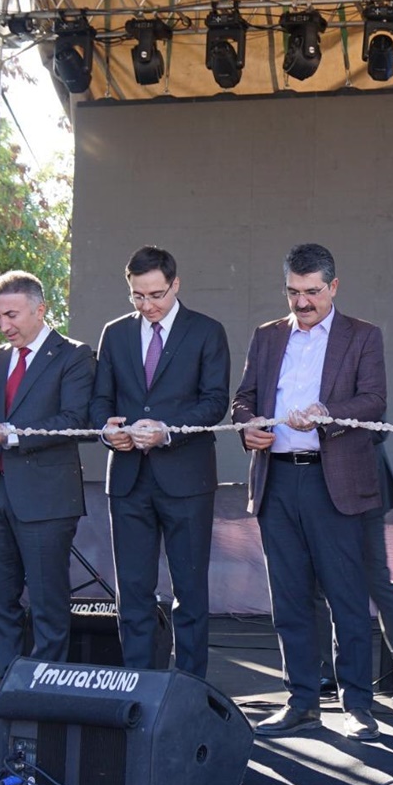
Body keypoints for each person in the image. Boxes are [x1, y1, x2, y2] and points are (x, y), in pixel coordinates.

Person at [232, 243, 386, 741]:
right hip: (276, 480)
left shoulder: (362, 336)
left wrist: (328, 414)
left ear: (333, 287)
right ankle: (300, 701)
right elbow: (245, 399)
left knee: (346, 599)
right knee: (291, 601)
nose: (302, 302)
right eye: (294, 292)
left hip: (333, 481)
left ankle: (357, 706)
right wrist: (247, 427)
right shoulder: (267, 336)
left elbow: (374, 401)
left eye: (312, 292)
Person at [0, 270, 95, 725]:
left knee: (49, 603)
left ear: (40, 309)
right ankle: (8, 693)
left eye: (12, 314)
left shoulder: (74, 356)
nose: (4, 324)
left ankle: (47, 693)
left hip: (45, 500)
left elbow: (74, 420)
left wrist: (8, 436)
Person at [90, 246, 230, 677]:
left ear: (176, 284)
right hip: (129, 479)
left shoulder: (207, 331)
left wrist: (165, 429)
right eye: (138, 296)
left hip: (187, 478)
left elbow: (215, 403)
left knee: (189, 589)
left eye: (156, 295)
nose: (148, 305)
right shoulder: (114, 333)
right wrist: (107, 431)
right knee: (131, 590)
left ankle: (190, 687)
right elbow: (99, 400)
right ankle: (137, 682)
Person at [315, 440, 393, 708]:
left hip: (360, 481)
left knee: (376, 580)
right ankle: (328, 672)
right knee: (316, 582)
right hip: (315, 482)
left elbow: (373, 419)